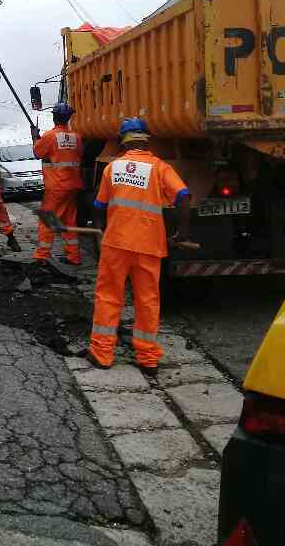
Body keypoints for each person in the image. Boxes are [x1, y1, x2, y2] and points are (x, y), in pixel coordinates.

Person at [87, 117, 190, 376]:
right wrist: (181, 232)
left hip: (116, 243)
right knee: (147, 300)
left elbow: (98, 207)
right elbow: (183, 196)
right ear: (147, 140)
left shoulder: (113, 168)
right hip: (148, 245)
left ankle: (102, 353)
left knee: (109, 297)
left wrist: (101, 232)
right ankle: (147, 357)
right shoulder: (159, 168)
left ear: (123, 142)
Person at [31, 102, 83, 266]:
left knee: (47, 220)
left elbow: (37, 152)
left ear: (54, 117)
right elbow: (78, 154)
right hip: (72, 185)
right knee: (69, 221)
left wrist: (34, 137)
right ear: (68, 118)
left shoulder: (50, 136)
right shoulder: (77, 137)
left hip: (56, 187)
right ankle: (73, 256)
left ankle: (42, 256)